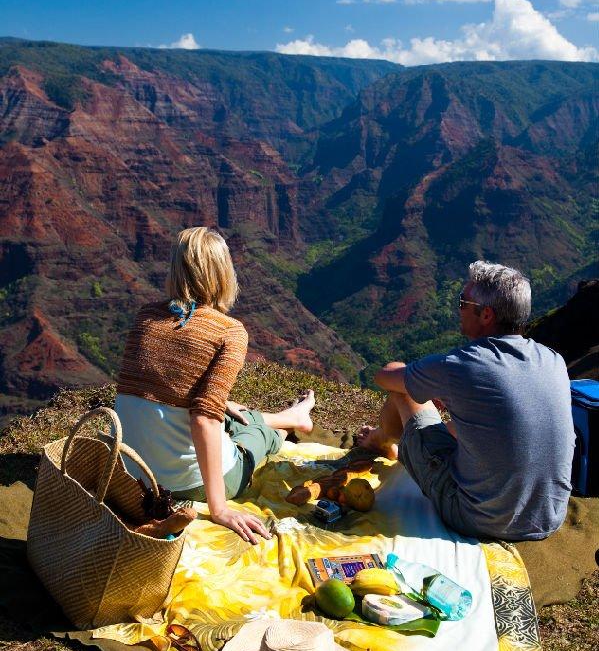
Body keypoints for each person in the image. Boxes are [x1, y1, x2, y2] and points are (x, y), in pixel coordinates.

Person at [115, 226, 314, 545]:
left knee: (229, 411)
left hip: (134, 478)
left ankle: (290, 416)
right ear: (223, 272)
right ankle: (289, 423)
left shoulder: (146, 317)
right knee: (254, 435)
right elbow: (203, 420)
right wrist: (219, 509)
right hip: (185, 486)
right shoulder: (229, 332)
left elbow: (162, 392)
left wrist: (217, 406)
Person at [357, 260, 575, 541]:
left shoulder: (461, 366)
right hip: (548, 518)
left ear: (486, 314)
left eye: (463, 302)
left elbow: (383, 377)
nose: (458, 309)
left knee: (402, 386)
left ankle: (381, 441)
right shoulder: (554, 361)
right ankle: (388, 441)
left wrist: (433, 386)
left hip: (477, 518)